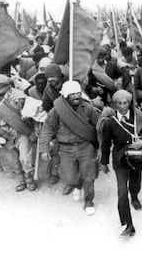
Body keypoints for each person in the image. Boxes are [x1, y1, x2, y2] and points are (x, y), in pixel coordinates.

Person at [39, 81, 99, 215]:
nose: (76, 96)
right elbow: (47, 129)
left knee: (89, 176)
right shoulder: (57, 110)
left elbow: (98, 127)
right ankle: (77, 184)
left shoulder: (88, 108)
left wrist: (100, 147)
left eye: (78, 93)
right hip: (65, 148)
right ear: (66, 96)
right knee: (69, 178)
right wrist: (44, 149)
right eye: (72, 94)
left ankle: (89, 201)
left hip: (85, 146)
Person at [100, 90, 142, 237]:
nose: (122, 106)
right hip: (120, 158)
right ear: (114, 104)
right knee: (122, 191)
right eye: (119, 103)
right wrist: (104, 162)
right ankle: (128, 224)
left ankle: (135, 197)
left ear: (129, 103)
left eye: (125, 103)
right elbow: (105, 143)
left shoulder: (138, 117)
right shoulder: (110, 123)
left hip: (137, 156)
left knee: (135, 181)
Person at [0, 77, 36, 192]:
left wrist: (29, 128)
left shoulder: (19, 96)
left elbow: (29, 115)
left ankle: (29, 179)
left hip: (21, 132)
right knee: (13, 159)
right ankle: (21, 180)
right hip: (4, 133)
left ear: (6, 85)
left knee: (25, 158)